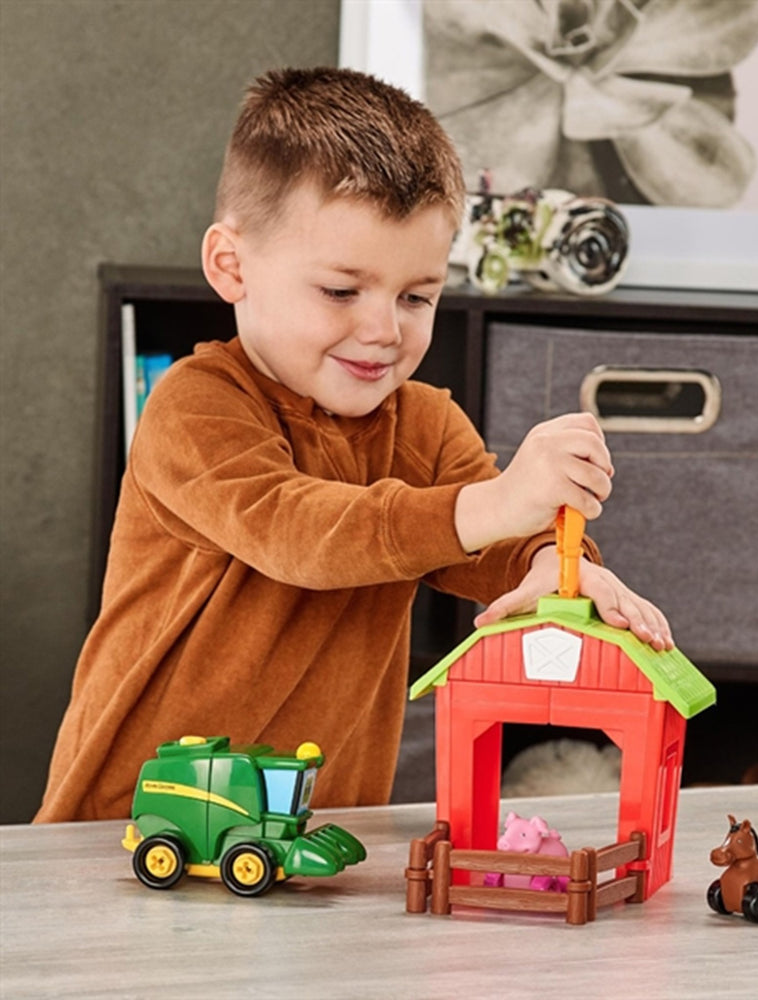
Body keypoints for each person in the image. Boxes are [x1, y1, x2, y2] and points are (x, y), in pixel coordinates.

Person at [35, 67, 671, 823]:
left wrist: (553, 565)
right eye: (341, 291)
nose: (384, 330)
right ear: (231, 266)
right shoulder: (194, 407)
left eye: (417, 296)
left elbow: (495, 543)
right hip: (135, 821)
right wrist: (502, 502)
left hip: (317, 822)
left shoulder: (425, 424)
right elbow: (298, 533)